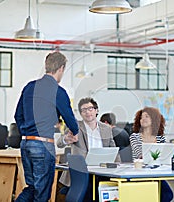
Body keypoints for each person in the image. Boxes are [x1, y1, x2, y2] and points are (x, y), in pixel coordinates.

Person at [14, 51, 79, 202]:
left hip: (26, 143)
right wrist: (74, 132)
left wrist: (27, 131)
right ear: (61, 68)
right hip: (42, 145)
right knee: (42, 193)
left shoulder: (29, 87)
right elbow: (69, 117)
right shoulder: (58, 91)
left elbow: (18, 115)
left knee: (31, 188)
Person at [57, 97, 119, 201]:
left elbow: (113, 150)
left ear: (96, 110)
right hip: (82, 172)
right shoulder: (75, 126)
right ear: (81, 113)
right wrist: (65, 139)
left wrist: (118, 167)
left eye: (90, 108)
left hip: (103, 170)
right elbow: (59, 143)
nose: (87, 112)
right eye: (84, 110)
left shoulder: (106, 128)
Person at [129, 107, 174, 202]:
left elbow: (164, 156)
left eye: (147, 116)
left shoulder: (160, 138)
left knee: (167, 195)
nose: (143, 119)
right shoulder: (134, 137)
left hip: (156, 173)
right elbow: (140, 155)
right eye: (141, 117)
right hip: (139, 173)